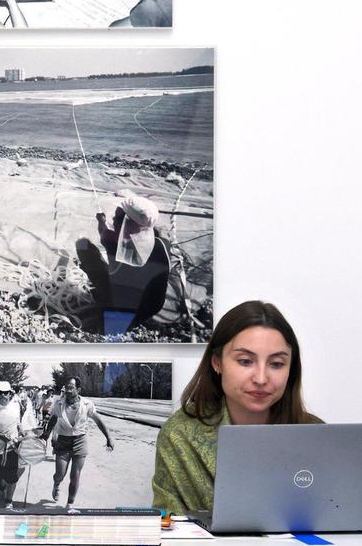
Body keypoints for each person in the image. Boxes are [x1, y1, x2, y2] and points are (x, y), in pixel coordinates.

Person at [152, 301, 324, 516]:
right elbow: (171, 530)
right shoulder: (180, 435)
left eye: (277, 364)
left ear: (291, 369)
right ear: (217, 362)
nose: (261, 378)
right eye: (245, 361)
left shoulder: (315, 434)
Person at [74, 189, 171, 334]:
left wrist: (101, 221)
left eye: (117, 218)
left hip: (121, 311)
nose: (113, 219)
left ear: (128, 224)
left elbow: (103, 233)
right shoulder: (163, 243)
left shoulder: (114, 244)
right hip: (151, 308)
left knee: (83, 245)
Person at [41, 378, 114, 509]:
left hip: (80, 441)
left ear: (78, 389)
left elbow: (98, 421)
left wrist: (108, 437)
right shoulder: (58, 404)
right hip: (63, 441)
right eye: (67, 387)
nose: (68, 390)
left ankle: (69, 504)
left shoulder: (87, 404)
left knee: (75, 476)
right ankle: (56, 485)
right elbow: (53, 419)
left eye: (71, 387)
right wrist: (46, 434)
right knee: (60, 474)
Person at [0, 381, 35, 509]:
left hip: (12, 447)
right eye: (0, 393)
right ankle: (1, 486)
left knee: (11, 476)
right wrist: (0, 436)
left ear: (10, 394)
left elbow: (18, 422)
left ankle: (9, 501)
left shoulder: (15, 407)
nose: (3, 396)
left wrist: (22, 432)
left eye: (6, 393)